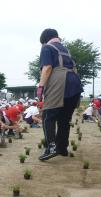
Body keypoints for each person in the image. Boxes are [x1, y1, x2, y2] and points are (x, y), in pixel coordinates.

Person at [36, 28, 83, 160]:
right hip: (75, 84)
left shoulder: (47, 48)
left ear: (45, 39)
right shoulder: (65, 50)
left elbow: (47, 67)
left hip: (60, 83)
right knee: (64, 119)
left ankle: (51, 147)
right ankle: (62, 148)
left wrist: (41, 87)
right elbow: (74, 68)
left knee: (47, 116)